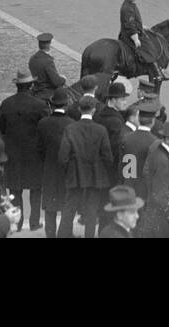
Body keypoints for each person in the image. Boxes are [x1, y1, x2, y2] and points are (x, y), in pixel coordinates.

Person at [0, 71, 49, 231]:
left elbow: (2, 127)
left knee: (15, 190)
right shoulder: (40, 105)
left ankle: (17, 223)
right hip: (34, 154)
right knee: (36, 190)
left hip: (13, 154)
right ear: (31, 85)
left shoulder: (6, 104)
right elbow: (44, 129)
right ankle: (34, 222)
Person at [57, 94, 113, 238]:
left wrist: (68, 171)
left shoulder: (70, 128)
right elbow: (107, 156)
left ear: (79, 109)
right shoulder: (101, 130)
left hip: (75, 174)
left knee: (69, 208)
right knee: (92, 210)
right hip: (95, 175)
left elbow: (63, 156)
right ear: (94, 110)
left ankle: (63, 235)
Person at [38, 86, 76, 238]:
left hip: (49, 168)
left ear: (52, 105)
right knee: (67, 205)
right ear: (66, 105)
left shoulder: (43, 123)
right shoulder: (72, 124)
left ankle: (50, 235)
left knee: (50, 206)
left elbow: (39, 149)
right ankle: (65, 234)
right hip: (67, 170)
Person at [118, 0, 167, 81]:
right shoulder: (127, 8)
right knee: (149, 49)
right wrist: (135, 38)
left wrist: (143, 26)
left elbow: (135, 20)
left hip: (135, 31)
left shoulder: (131, 5)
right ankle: (156, 72)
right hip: (129, 35)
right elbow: (129, 25)